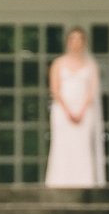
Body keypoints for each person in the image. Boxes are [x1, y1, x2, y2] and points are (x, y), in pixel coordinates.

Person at [44, 27, 105, 186]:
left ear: (84, 42)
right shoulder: (58, 63)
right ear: (67, 41)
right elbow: (55, 89)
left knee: (82, 147)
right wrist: (68, 111)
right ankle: (59, 182)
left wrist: (81, 110)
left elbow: (92, 90)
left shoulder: (91, 64)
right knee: (62, 145)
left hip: (84, 111)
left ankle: (84, 182)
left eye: (79, 39)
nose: (76, 43)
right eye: (73, 39)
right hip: (63, 110)